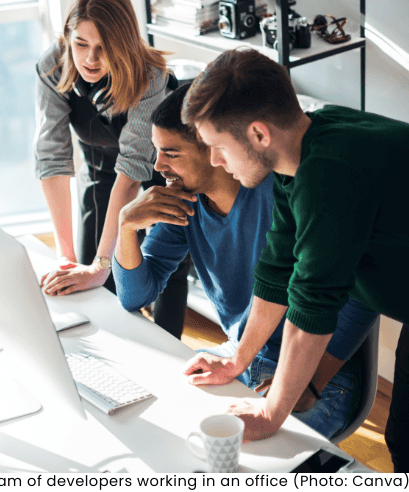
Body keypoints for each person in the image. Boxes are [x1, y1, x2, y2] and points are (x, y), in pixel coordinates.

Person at [179, 47, 409, 468]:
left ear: (259, 135)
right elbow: (276, 272)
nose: (213, 161)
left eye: (218, 147)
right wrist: (237, 360)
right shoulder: (301, 156)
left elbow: (312, 308)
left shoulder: (331, 177)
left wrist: (270, 413)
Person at [113, 84, 378, 439]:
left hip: (314, 376)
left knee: (238, 461)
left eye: (171, 154)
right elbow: (134, 296)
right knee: (150, 422)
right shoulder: (183, 204)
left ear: (214, 149)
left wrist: (307, 386)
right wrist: (126, 226)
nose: (158, 166)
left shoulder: (283, 193)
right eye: (157, 152)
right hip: (239, 356)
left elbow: (363, 295)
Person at [33, 0, 189, 338]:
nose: (90, 58)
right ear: (67, 38)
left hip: (155, 171)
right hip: (100, 166)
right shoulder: (51, 67)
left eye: (104, 48)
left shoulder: (151, 77)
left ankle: (165, 349)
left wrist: (103, 264)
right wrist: (67, 259)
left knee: (160, 266)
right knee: (91, 277)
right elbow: (52, 156)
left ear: (124, 44)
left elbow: (133, 170)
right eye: (81, 44)